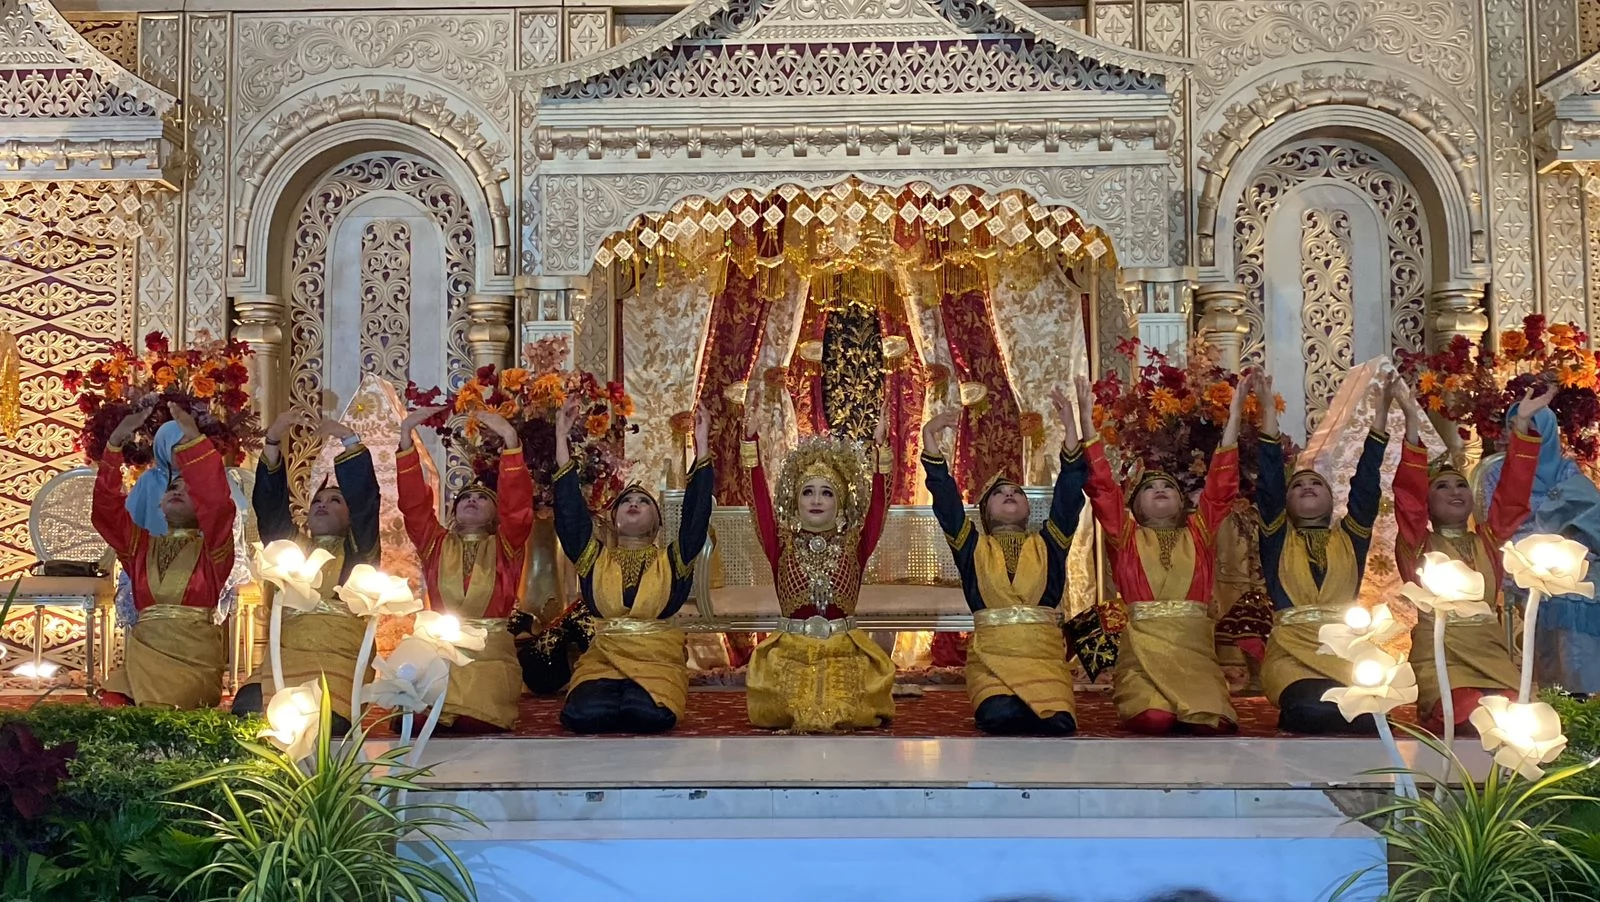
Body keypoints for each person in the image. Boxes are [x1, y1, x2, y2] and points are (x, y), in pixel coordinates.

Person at [1079, 374, 1246, 735]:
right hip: (1143, 655)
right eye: (1150, 487)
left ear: (1182, 502)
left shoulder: (1199, 533)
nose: (1159, 490)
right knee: (1155, 719)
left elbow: (1220, 489)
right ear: (1135, 504)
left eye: (1167, 487)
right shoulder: (1126, 537)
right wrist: (1084, 423)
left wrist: (1234, 417)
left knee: (1210, 723)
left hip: (1193, 655)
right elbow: (1103, 489)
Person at [919, 388, 1086, 736]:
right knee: (1001, 716)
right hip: (992, 660)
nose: (1009, 494)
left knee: (1056, 722)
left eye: (1016, 493)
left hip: (1043, 658)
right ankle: (1000, 698)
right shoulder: (972, 546)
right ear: (985, 513)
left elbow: (1069, 497)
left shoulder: (1049, 542)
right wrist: (930, 441)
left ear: (1028, 510)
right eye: (999, 493)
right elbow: (947, 503)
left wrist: (1071, 428)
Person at [1393, 382, 1550, 732]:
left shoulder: (1488, 540)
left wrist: (1521, 426)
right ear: (1427, 503)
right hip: (1441, 648)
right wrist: (1413, 427)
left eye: (1461, 485)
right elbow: (1408, 500)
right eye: (1442, 486)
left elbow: (1512, 497)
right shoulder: (1417, 545)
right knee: (1465, 711)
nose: (1455, 491)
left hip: (1489, 648)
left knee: (1517, 715)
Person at [554, 402, 714, 734]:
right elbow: (570, 515)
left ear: (657, 522)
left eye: (643, 501)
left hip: (656, 659)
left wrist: (701, 445)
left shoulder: (673, 559)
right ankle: (614, 693)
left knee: (648, 714)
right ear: (613, 519)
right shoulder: (594, 557)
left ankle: (634, 696)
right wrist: (560, 439)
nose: (634, 504)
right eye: (626, 500)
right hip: (603, 657)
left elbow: (696, 516)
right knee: (582, 715)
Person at [743, 398, 894, 733]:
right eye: (807, 491)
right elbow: (759, 504)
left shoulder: (855, 543)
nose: (815, 499)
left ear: (840, 503)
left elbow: (879, 508)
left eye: (827, 493)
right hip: (790, 652)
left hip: (844, 650)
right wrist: (750, 444)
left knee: (845, 710)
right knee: (790, 708)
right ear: (794, 501)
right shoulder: (780, 542)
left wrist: (882, 451)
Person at [1254, 372, 1391, 734]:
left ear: (1333, 501)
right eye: (1297, 484)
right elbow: (1269, 481)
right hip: (1292, 654)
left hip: (1345, 653)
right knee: (1313, 707)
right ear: (1286, 503)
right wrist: (1267, 410)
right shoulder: (1278, 537)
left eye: (1316, 483)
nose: (1307, 487)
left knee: (1375, 716)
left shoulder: (1350, 536)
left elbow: (1366, 485)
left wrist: (1379, 419)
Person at [232, 410, 381, 730]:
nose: (323, 504)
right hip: (286, 656)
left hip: (339, 660)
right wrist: (273, 440)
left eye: (335, 500)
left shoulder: (359, 550)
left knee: (324, 721)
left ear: (351, 517)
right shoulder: (293, 548)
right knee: (247, 708)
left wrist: (348, 439)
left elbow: (367, 504)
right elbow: (270, 511)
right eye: (317, 501)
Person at [396, 406, 532, 733]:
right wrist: (405, 438)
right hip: (440, 650)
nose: (471, 500)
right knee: (417, 719)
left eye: (482, 498)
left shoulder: (506, 546)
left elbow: (518, 511)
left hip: (489, 654)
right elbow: (414, 508)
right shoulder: (435, 543)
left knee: (476, 717)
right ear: (454, 510)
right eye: (465, 497)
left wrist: (510, 440)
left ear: (496, 512)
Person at [93, 405, 235, 709]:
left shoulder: (214, 549)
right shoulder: (139, 546)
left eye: (189, 488)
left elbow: (218, 504)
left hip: (192, 660)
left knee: (157, 713)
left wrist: (194, 438)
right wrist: (115, 443)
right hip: (145, 654)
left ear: (202, 504)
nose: (178, 490)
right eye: (173, 486)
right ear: (160, 503)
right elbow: (106, 511)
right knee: (112, 703)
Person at [1481, 404, 1600, 694]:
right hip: (1522, 556)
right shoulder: (1497, 473)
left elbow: (1586, 514)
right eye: (1514, 427)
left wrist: (1567, 539)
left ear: (1547, 432)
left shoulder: (1566, 468)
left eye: (1532, 427)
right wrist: (1548, 531)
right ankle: (1566, 690)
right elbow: (1499, 525)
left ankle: (1591, 691)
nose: (1521, 433)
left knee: (1589, 586)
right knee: (1567, 594)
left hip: (1573, 550)